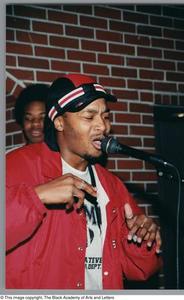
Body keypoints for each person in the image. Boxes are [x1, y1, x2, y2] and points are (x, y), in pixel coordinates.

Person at [6, 73, 163, 289]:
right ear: (59, 123)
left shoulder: (113, 186)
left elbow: (141, 270)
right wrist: (36, 197)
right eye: (89, 117)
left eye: (105, 116)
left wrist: (142, 240)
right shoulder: (15, 166)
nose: (103, 127)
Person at [7, 83, 49, 151]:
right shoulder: (10, 157)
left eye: (42, 118)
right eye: (29, 118)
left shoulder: (65, 158)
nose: (35, 123)